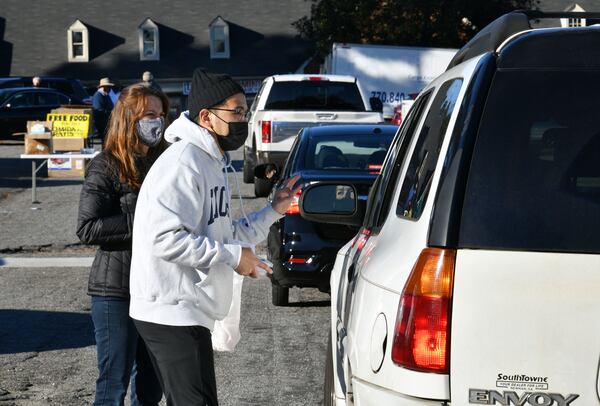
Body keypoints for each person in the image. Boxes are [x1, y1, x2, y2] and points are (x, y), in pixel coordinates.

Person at [129, 68, 300, 406]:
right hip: (170, 310)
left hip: (188, 311)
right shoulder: (183, 162)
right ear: (206, 117)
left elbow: (224, 232)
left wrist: (274, 210)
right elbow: (163, 239)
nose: (243, 120)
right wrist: (235, 257)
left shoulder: (211, 162)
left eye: (245, 112)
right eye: (236, 112)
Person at [77, 83, 168, 406]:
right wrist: (143, 220)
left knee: (152, 385)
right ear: (129, 119)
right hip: (116, 289)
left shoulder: (166, 162)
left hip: (158, 288)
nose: (156, 122)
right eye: (148, 115)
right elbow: (87, 228)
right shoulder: (106, 165)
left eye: (160, 114)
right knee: (113, 383)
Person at [92, 77, 115, 144]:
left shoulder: (106, 95)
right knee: (105, 139)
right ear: (104, 87)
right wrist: (111, 112)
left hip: (107, 121)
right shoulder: (98, 96)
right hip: (102, 123)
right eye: (109, 87)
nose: (110, 89)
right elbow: (98, 110)